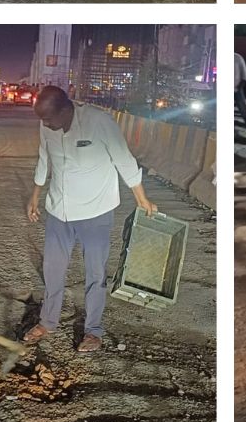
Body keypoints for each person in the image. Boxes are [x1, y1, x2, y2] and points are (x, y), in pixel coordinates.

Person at [23, 86, 157, 353]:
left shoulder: (99, 121)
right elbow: (43, 159)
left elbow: (124, 160)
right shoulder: (47, 125)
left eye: (49, 118)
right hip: (59, 211)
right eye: (42, 120)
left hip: (96, 212)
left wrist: (142, 199)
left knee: (95, 274)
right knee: (52, 270)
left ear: (65, 109)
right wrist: (35, 196)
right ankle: (47, 322)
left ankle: (93, 332)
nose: (45, 124)